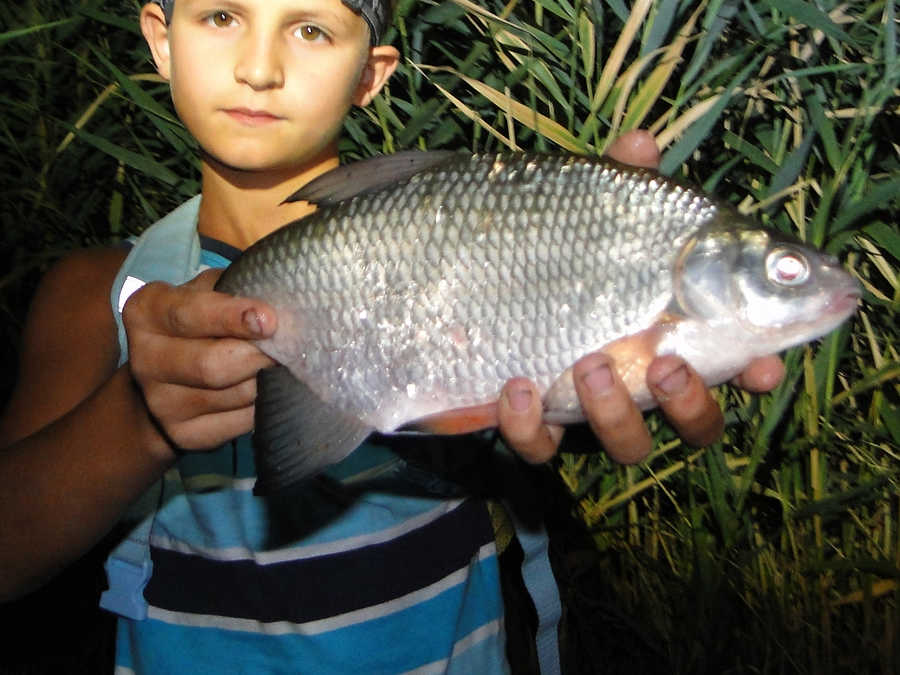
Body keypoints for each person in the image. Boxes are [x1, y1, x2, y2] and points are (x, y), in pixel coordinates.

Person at [0, 0, 785, 672]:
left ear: (371, 74)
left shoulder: (471, 244)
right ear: (161, 37)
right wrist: (140, 414)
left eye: (311, 30)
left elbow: (510, 418)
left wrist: (588, 344)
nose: (259, 68)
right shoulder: (98, 291)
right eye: (222, 15)